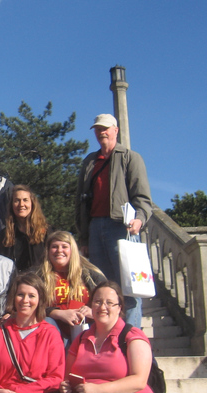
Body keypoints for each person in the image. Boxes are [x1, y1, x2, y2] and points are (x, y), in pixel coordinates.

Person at [75, 113, 152, 328]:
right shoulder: (89, 162)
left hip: (121, 228)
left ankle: (130, 336)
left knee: (128, 287)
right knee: (101, 288)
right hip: (94, 227)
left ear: (115, 130)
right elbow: (80, 201)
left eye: (105, 128)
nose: (102, 132)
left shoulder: (130, 158)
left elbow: (143, 198)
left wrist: (140, 219)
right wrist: (84, 237)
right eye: (98, 129)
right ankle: (107, 334)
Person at [38, 231, 106, 346]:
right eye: (54, 247)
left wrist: (94, 311)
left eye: (64, 247)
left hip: (87, 329)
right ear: (48, 251)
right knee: (47, 323)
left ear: (72, 250)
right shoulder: (38, 276)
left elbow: (111, 302)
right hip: (55, 331)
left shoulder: (91, 275)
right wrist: (57, 313)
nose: (59, 250)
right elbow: (30, 305)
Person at [0, 185, 49, 273]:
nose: (21, 204)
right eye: (17, 200)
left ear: (32, 203)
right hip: (14, 283)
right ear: (11, 205)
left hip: (40, 283)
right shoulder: (4, 235)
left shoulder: (46, 233)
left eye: (25, 200)